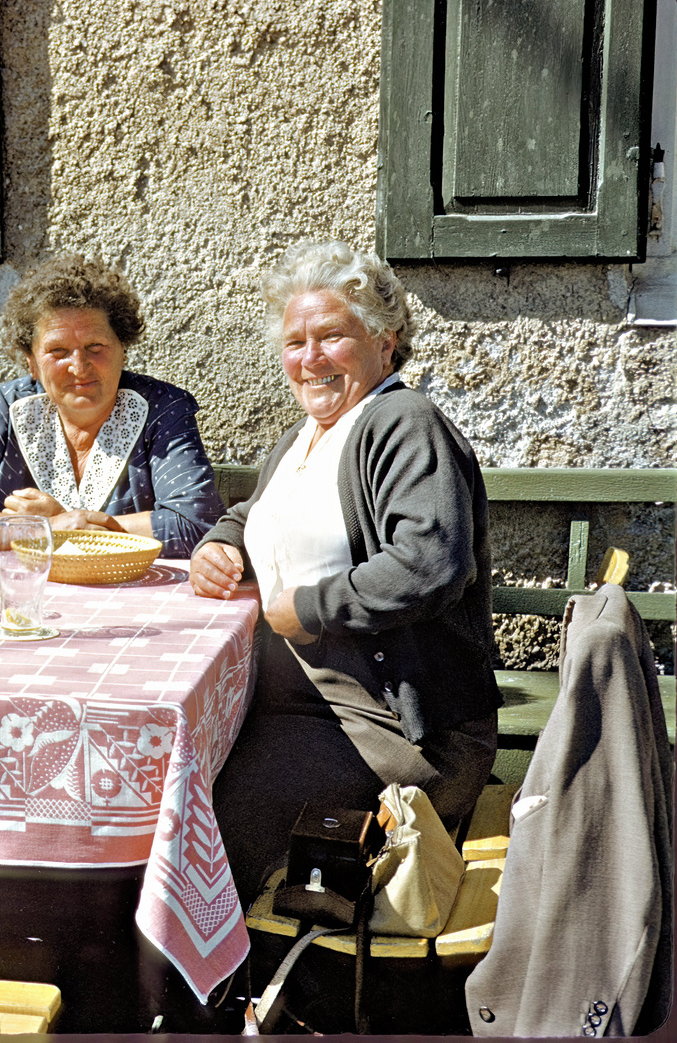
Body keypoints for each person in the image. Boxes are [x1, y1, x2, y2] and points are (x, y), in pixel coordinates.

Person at [189, 241, 501, 903]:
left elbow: (431, 563)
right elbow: (252, 515)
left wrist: (303, 609)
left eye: (331, 335)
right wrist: (218, 545)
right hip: (291, 711)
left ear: (384, 344)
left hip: (389, 733)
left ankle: (221, 995)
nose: (310, 358)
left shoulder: (402, 422)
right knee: (164, 776)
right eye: (295, 340)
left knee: (203, 819)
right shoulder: (306, 436)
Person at [0, 256, 224, 556]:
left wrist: (74, 527)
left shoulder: (162, 409)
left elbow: (196, 525)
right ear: (32, 362)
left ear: (123, 349)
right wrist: (47, 529)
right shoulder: (3, 409)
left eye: (95, 347)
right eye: (58, 351)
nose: (79, 367)